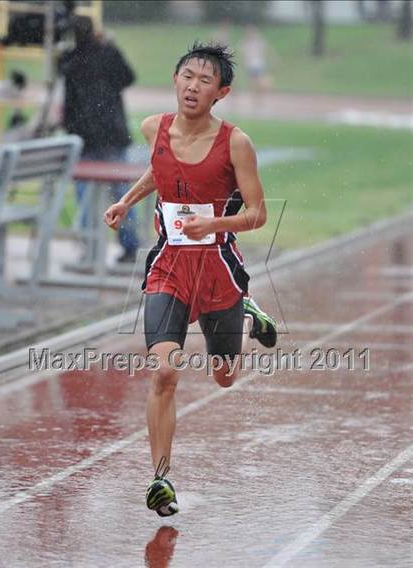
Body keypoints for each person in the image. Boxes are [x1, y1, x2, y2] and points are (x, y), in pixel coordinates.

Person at [104, 42, 278, 516]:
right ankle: (160, 477)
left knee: (224, 377)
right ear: (175, 80)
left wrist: (214, 225)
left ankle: (245, 312)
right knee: (164, 372)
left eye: (205, 80)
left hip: (218, 269)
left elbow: (259, 214)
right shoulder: (153, 128)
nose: (193, 86)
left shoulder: (236, 144)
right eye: (187, 76)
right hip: (169, 267)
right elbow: (161, 171)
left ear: (221, 92)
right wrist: (128, 201)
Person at [59, 16, 139, 263]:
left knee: (85, 196)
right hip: (113, 131)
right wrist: (109, 47)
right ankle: (129, 245)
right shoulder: (107, 53)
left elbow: (67, 93)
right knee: (122, 194)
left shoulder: (71, 59)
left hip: (84, 135)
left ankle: (90, 248)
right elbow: (128, 77)